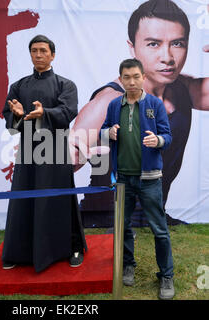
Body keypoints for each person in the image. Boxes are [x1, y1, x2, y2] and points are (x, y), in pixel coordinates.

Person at [70, 0, 209, 226]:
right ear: (132, 47)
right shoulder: (109, 101)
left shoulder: (184, 90)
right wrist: (62, 155)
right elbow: (66, 156)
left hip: (154, 219)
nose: (167, 57)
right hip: (104, 223)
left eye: (177, 43)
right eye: (153, 44)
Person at [1, 35, 87, 273]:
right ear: (30, 54)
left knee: (59, 199)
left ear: (52, 55)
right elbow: (8, 119)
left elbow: (68, 111)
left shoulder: (65, 85)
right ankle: (18, 251)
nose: (38, 55)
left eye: (43, 50)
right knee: (24, 199)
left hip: (56, 150)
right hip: (28, 151)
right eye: (34, 50)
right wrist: (17, 114)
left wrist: (44, 113)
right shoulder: (19, 86)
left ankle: (71, 248)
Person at [101, 58, 174, 300]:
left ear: (143, 77)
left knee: (160, 230)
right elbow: (103, 130)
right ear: (120, 79)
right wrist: (108, 132)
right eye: (126, 77)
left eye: (135, 77)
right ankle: (127, 265)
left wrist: (158, 141)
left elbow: (167, 135)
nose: (131, 82)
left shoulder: (155, 104)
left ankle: (166, 275)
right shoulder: (114, 105)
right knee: (123, 227)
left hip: (150, 179)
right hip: (123, 179)